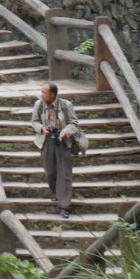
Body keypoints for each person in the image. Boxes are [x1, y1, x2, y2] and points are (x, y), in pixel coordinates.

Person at [30, 82, 78, 218]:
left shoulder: (65, 105)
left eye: (44, 92)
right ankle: (58, 193)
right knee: (50, 172)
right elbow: (34, 121)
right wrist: (41, 128)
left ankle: (64, 205)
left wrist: (65, 132)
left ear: (53, 94)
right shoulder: (39, 105)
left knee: (64, 173)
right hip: (46, 140)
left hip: (63, 141)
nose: (42, 94)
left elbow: (74, 123)